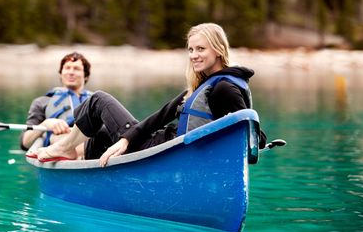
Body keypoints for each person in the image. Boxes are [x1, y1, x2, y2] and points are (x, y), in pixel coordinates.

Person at [35, 23, 266, 166]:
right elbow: (160, 116)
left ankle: (65, 148)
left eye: (201, 49)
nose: (194, 55)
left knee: (98, 100)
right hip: (159, 146)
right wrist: (126, 140)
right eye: (191, 49)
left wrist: (128, 140)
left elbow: (252, 133)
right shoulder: (204, 86)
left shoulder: (223, 87)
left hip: (161, 152)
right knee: (104, 133)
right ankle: (79, 158)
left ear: (218, 50)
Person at [20, 52, 94, 152]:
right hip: (58, 144)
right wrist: (45, 124)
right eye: (67, 68)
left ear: (86, 76)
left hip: (92, 146)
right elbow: (25, 143)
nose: (71, 72)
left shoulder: (96, 103)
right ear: (61, 73)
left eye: (76, 69)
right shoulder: (42, 102)